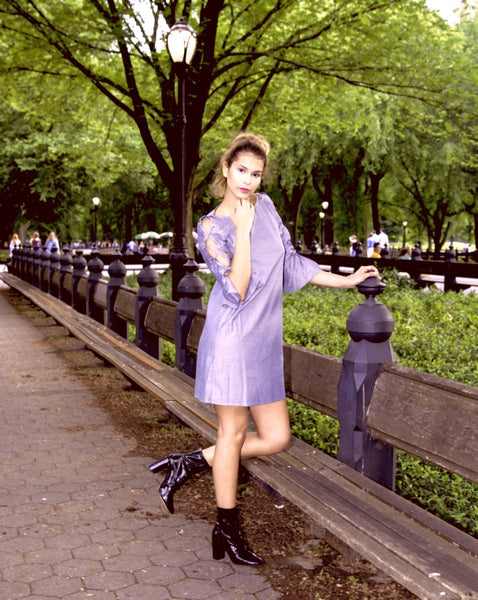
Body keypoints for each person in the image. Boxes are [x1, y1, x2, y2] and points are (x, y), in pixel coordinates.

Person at [148, 132, 379, 567]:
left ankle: (191, 462)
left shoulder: (266, 207)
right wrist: (242, 230)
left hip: (264, 339)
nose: (248, 181)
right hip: (232, 339)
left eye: (256, 174)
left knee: (276, 437)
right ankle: (227, 529)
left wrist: (345, 281)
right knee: (232, 434)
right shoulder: (210, 226)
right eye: (241, 170)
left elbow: (290, 262)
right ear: (225, 169)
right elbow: (236, 288)